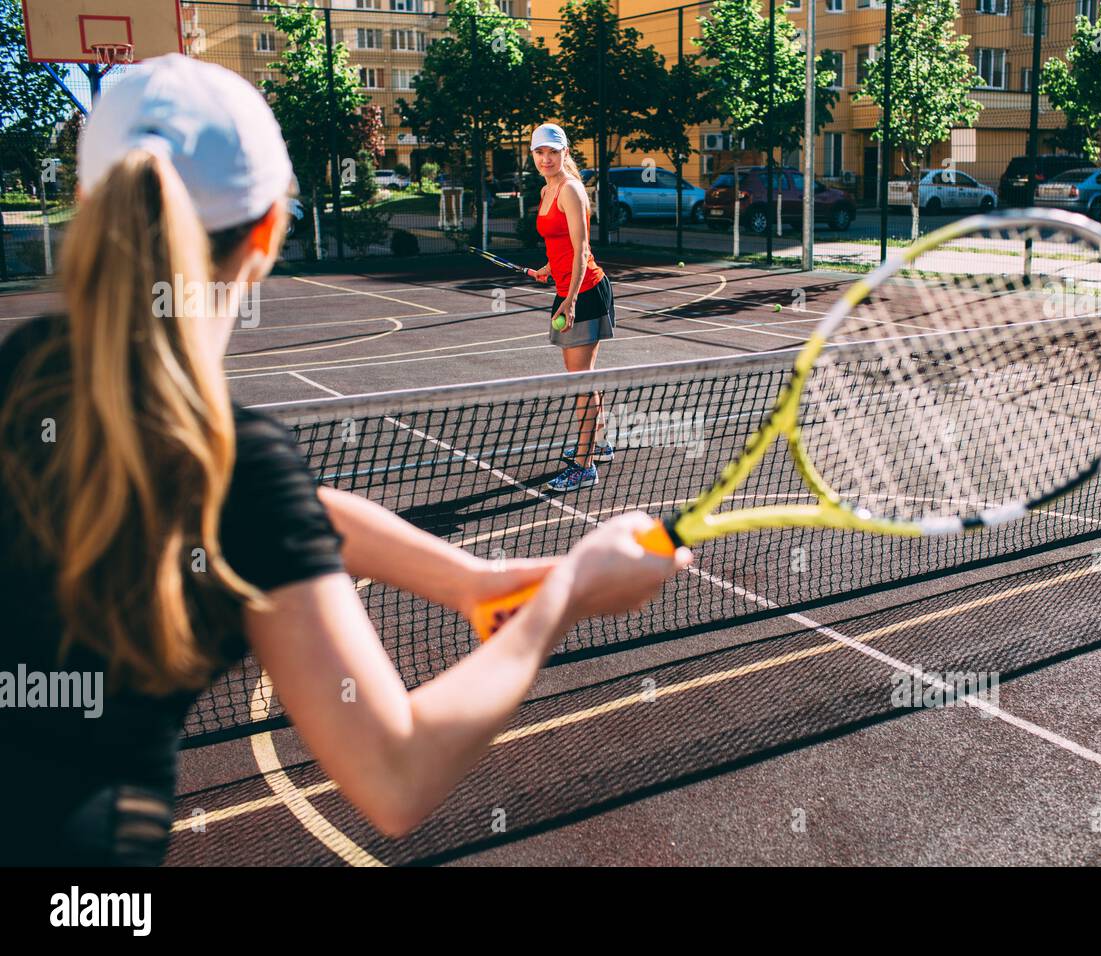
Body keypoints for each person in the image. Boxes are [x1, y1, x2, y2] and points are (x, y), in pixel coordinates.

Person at [0, 56, 690, 866]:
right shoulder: (235, 466)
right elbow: (394, 776)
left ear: (88, 206)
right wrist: (569, 590)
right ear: (268, 233)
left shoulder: (28, 372)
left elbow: (273, 509)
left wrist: (465, 581)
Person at [525, 124, 617, 493]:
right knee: (584, 376)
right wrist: (549, 268)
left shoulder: (571, 190)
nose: (546, 159)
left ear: (565, 153)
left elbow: (581, 250)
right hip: (567, 287)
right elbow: (559, 242)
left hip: (585, 291)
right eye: (539, 153)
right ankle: (598, 443)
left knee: (580, 380)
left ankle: (585, 465)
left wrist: (571, 297)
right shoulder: (547, 188)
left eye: (552, 152)